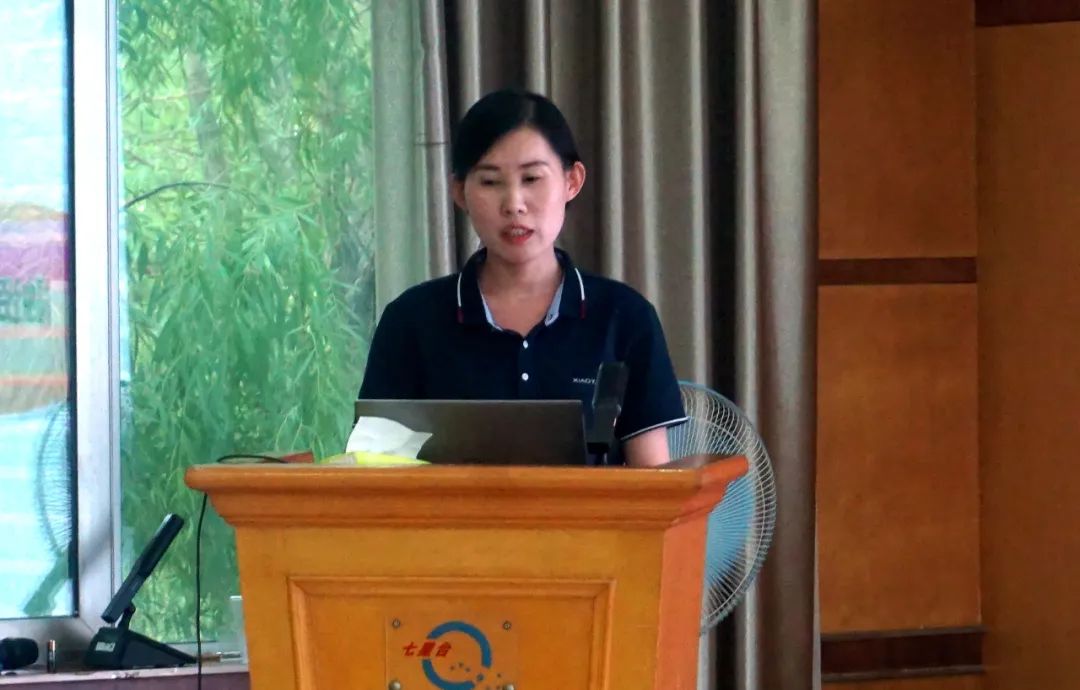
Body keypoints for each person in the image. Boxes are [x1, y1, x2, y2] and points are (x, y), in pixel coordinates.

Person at [358, 88, 686, 467]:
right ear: (459, 192)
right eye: (490, 181)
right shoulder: (410, 321)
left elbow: (654, 485)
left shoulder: (625, 318)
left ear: (572, 181)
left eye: (531, 178)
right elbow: (373, 471)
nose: (514, 203)